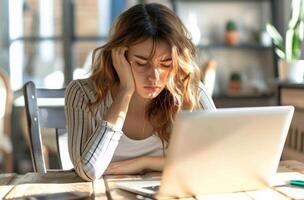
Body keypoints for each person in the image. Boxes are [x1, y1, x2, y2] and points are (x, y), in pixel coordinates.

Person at [65, 3, 216, 181]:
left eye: (166, 64)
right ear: (119, 56)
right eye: (141, 63)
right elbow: (88, 170)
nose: (154, 76)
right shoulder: (83, 94)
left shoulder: (191, 91)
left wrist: (145, 162)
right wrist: (125, 91)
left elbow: (218, 158)